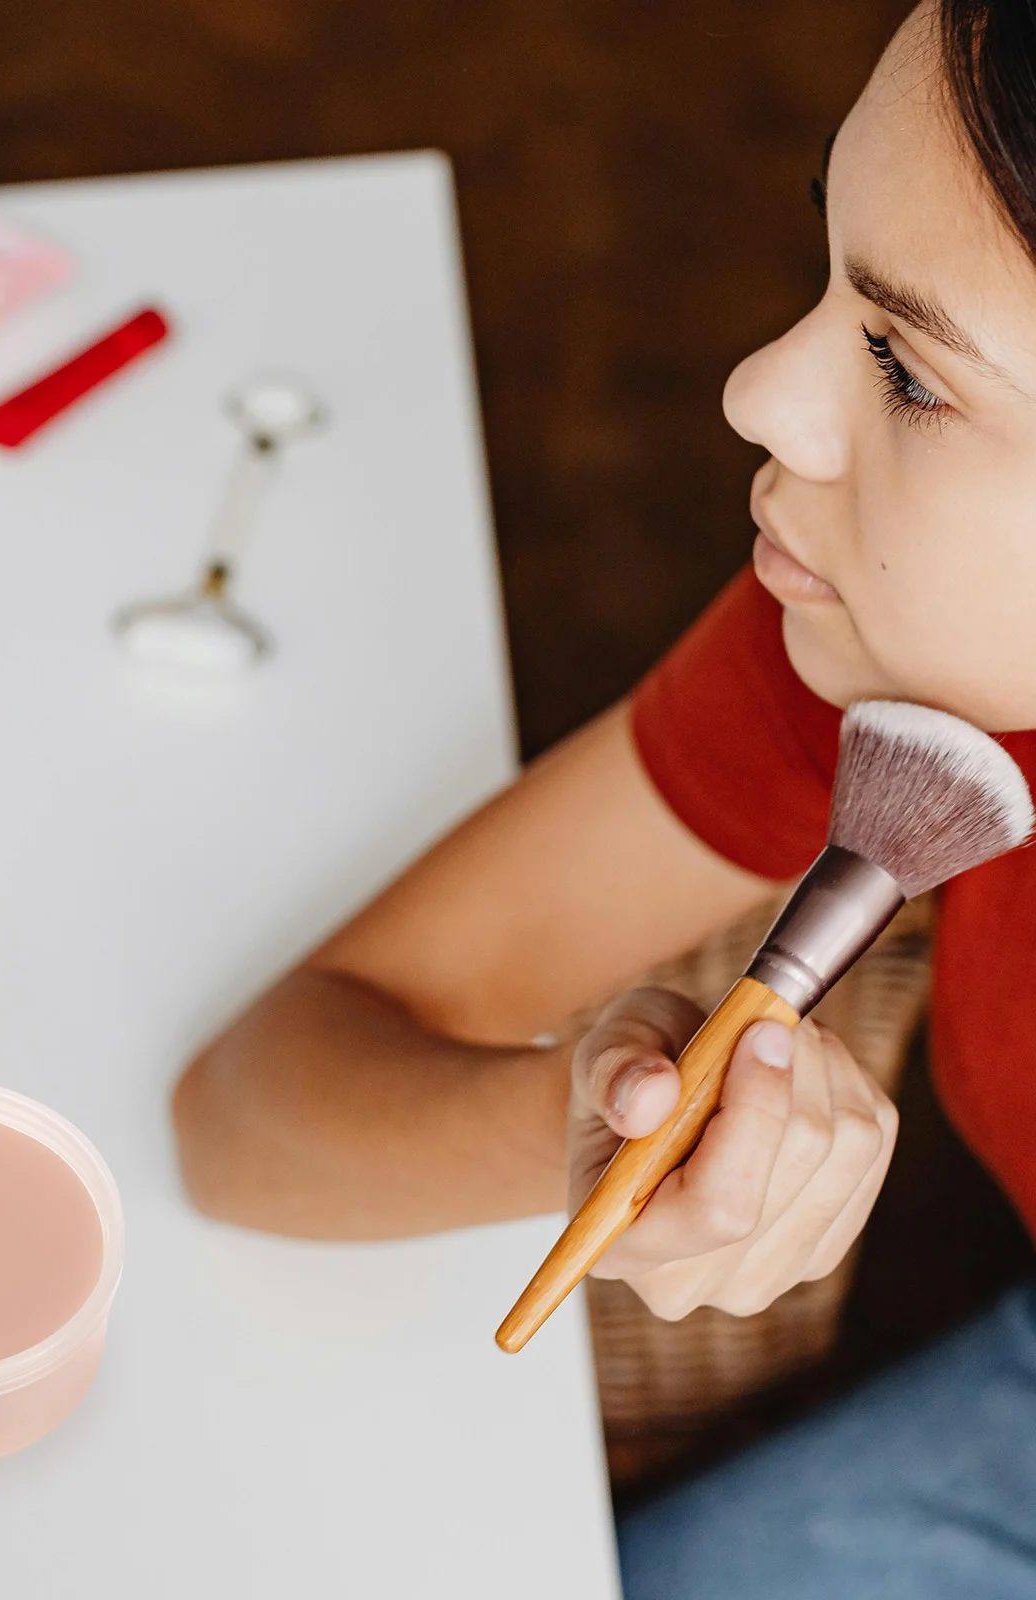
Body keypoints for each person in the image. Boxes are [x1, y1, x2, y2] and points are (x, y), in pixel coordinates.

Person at [171, 2, 1036, 1594]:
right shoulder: (862, 644)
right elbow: (248, 1117)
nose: (755, 394)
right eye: (830, 278)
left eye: (906, 367)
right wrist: (585, 1129)